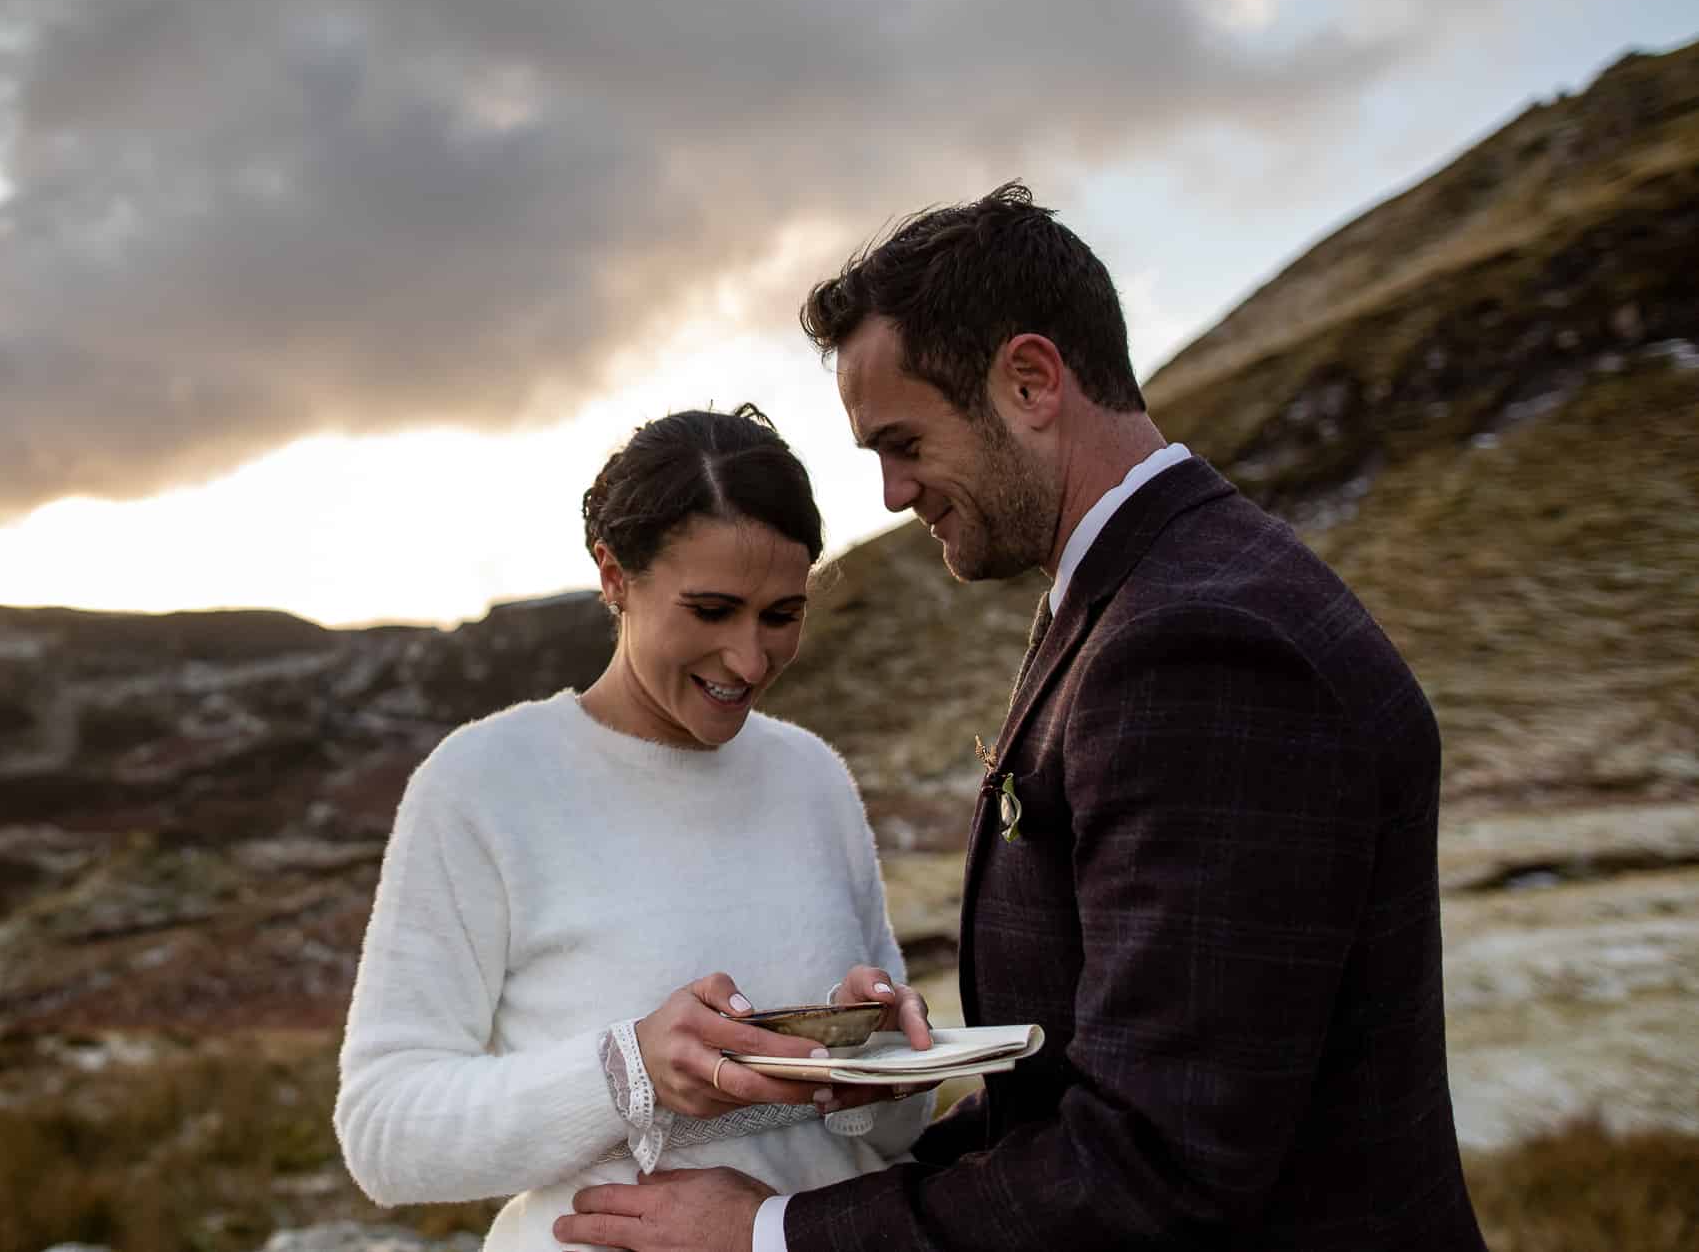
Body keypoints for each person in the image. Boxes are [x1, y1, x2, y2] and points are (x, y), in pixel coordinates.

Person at [556, 185, 1484, 1251]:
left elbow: (1152, 1165)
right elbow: (1097, 1076)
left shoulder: (1196, 643)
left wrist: (772, 1231)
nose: (895, 493)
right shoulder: (1149, 590)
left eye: (902, 441)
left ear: (1030, 380)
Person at [334, 405, 938, 1252]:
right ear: (614, 574)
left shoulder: (813, 776)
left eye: (780, 615)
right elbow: (384, 1133)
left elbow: (896, 1138)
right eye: (712, 609)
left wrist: (878, 1069)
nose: (749, 660)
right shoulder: (482, 783)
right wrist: (627, 1071)